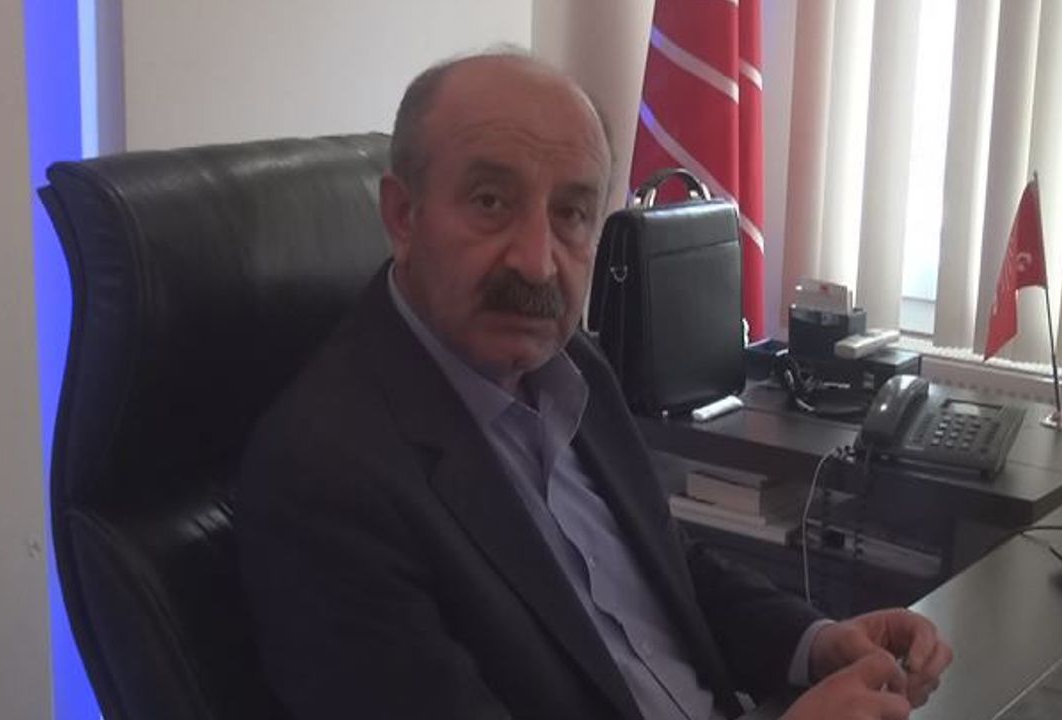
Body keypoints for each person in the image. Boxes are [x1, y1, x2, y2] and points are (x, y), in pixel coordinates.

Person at [234, 51, 952, 720]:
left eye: (572, 213)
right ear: (403, 216)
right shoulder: (324, 477)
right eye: (490, 202)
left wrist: (814, 641)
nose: (538, 263)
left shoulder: (573, 365)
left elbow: (666, 567)